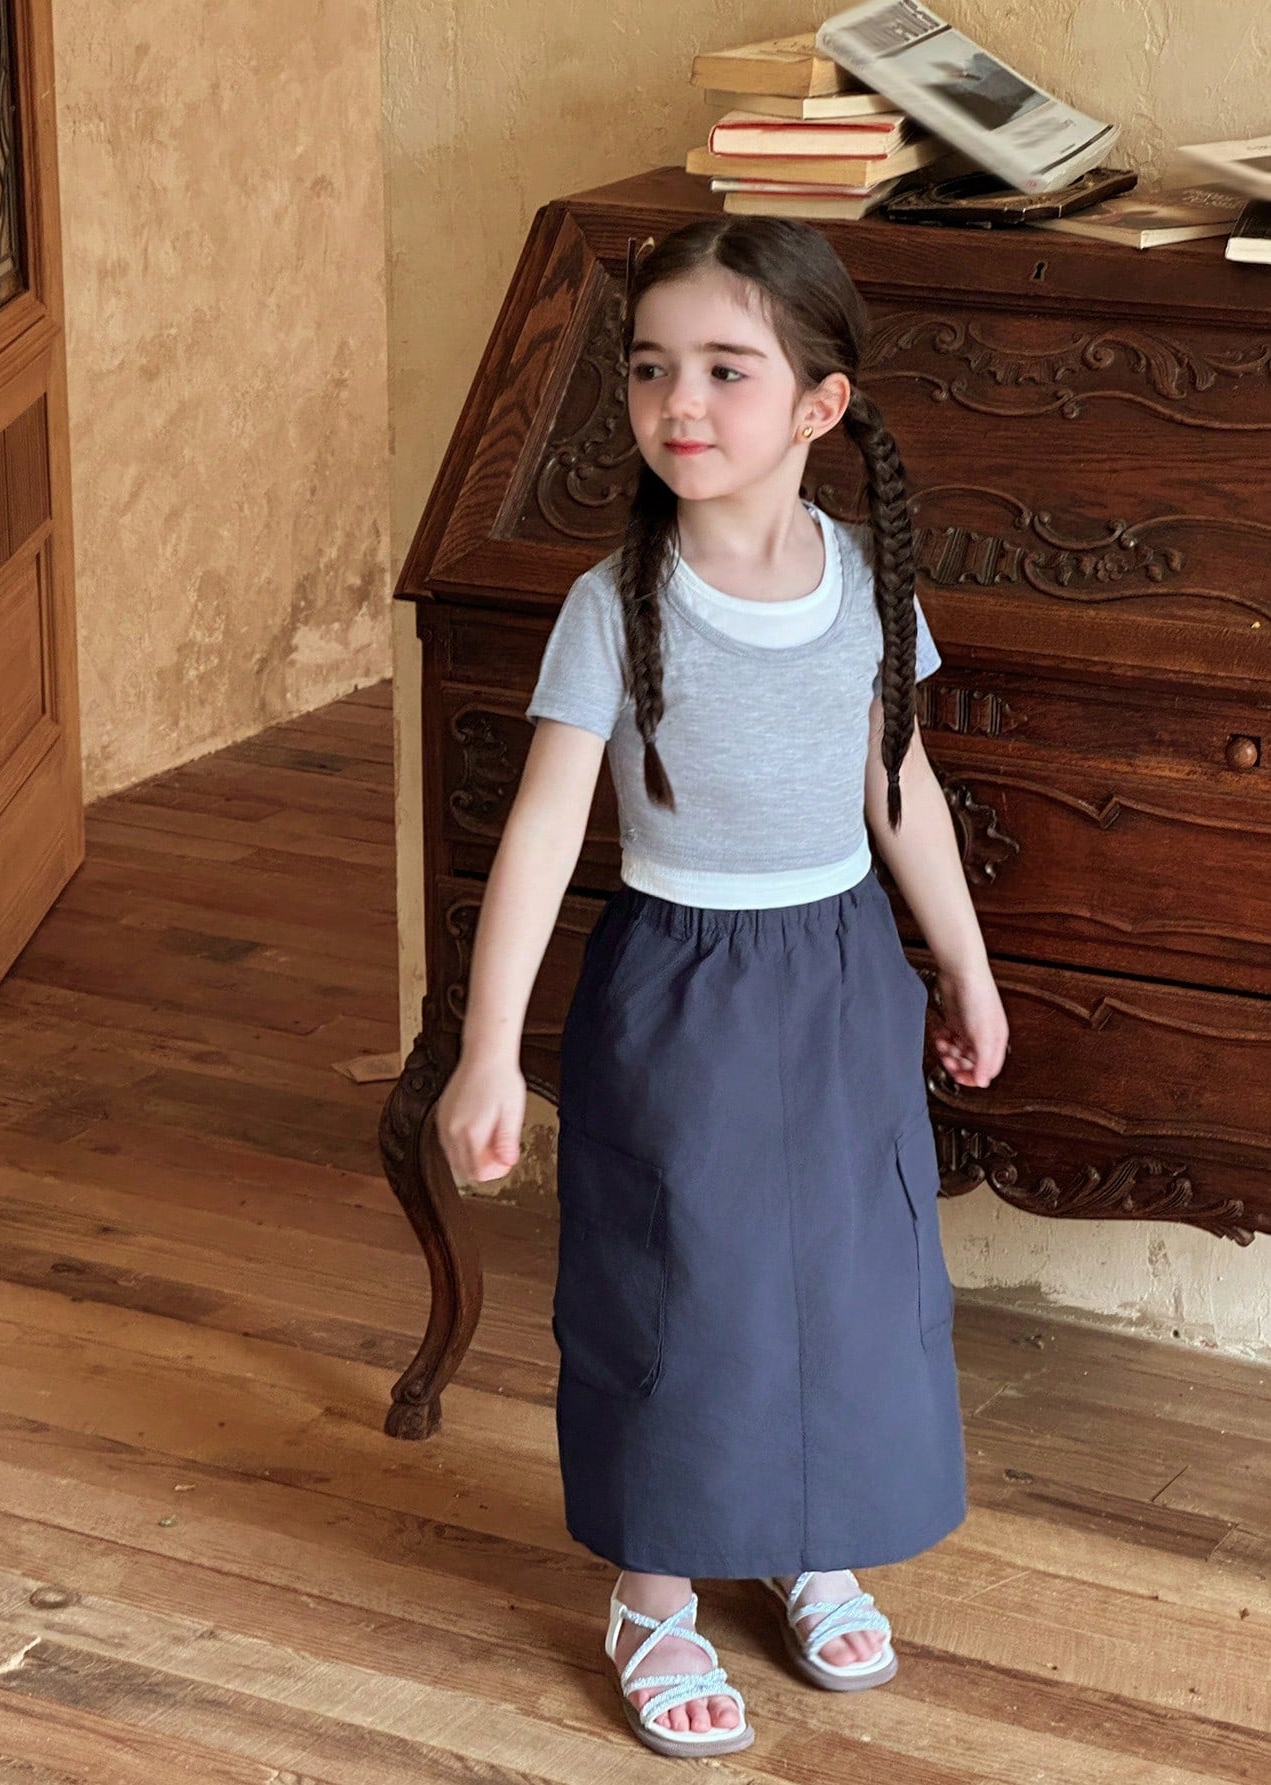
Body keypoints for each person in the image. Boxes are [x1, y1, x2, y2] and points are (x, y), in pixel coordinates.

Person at [435, 216, 1010, 1759]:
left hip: (841, 973)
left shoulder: (869, 587)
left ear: (821, 403)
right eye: (649, 368)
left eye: (724, 369)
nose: (678, 401)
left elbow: (899, 790)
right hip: (679, 985)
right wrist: (488, 1050)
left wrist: (964, 967)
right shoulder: (613, 602)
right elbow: (542, 831)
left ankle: (811, 1535)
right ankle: (653, 1594)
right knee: (681, 1289)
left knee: (848, 1278)